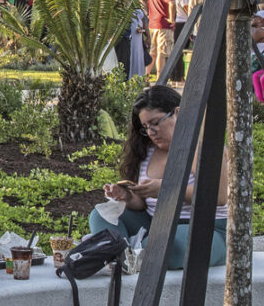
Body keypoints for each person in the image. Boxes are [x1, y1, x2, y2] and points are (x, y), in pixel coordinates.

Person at [87, 84, 227, 270]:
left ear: (177, 112)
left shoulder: (202, 146)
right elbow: (142, 205)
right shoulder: (146, 151)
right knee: (101, 215)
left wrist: (165, 188)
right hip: (155, 223)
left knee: (166, 247)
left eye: (155, 123)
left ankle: (126, 254)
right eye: (145, 127)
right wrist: (128, 196)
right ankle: (125, 257)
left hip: (205, 227)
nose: (151, 132)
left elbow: (218, 197)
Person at [144, 0, 176, 81]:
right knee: (162, 53)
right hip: (164, 24)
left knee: (153, 52)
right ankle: (160, 79)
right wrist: (172, 20)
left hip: (152, 24)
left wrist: (147, 13)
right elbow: (171, 3)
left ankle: (145, 78)